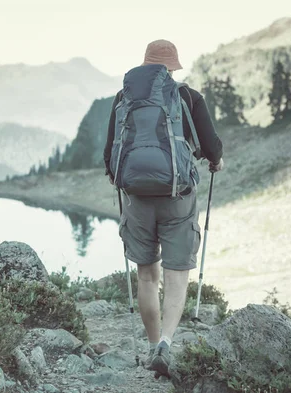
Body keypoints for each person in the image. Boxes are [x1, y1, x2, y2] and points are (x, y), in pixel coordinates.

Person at [103, 39, 224, 377]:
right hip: (178, 198)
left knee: (146, 274)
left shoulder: (123, 98)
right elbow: (211, 146)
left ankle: (151, 342)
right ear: (172, 67)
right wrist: (216, 160)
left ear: (145, 65)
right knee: (176, 274)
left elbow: (109, 156)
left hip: (137, 200)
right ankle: (166, 344)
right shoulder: (187, 97)